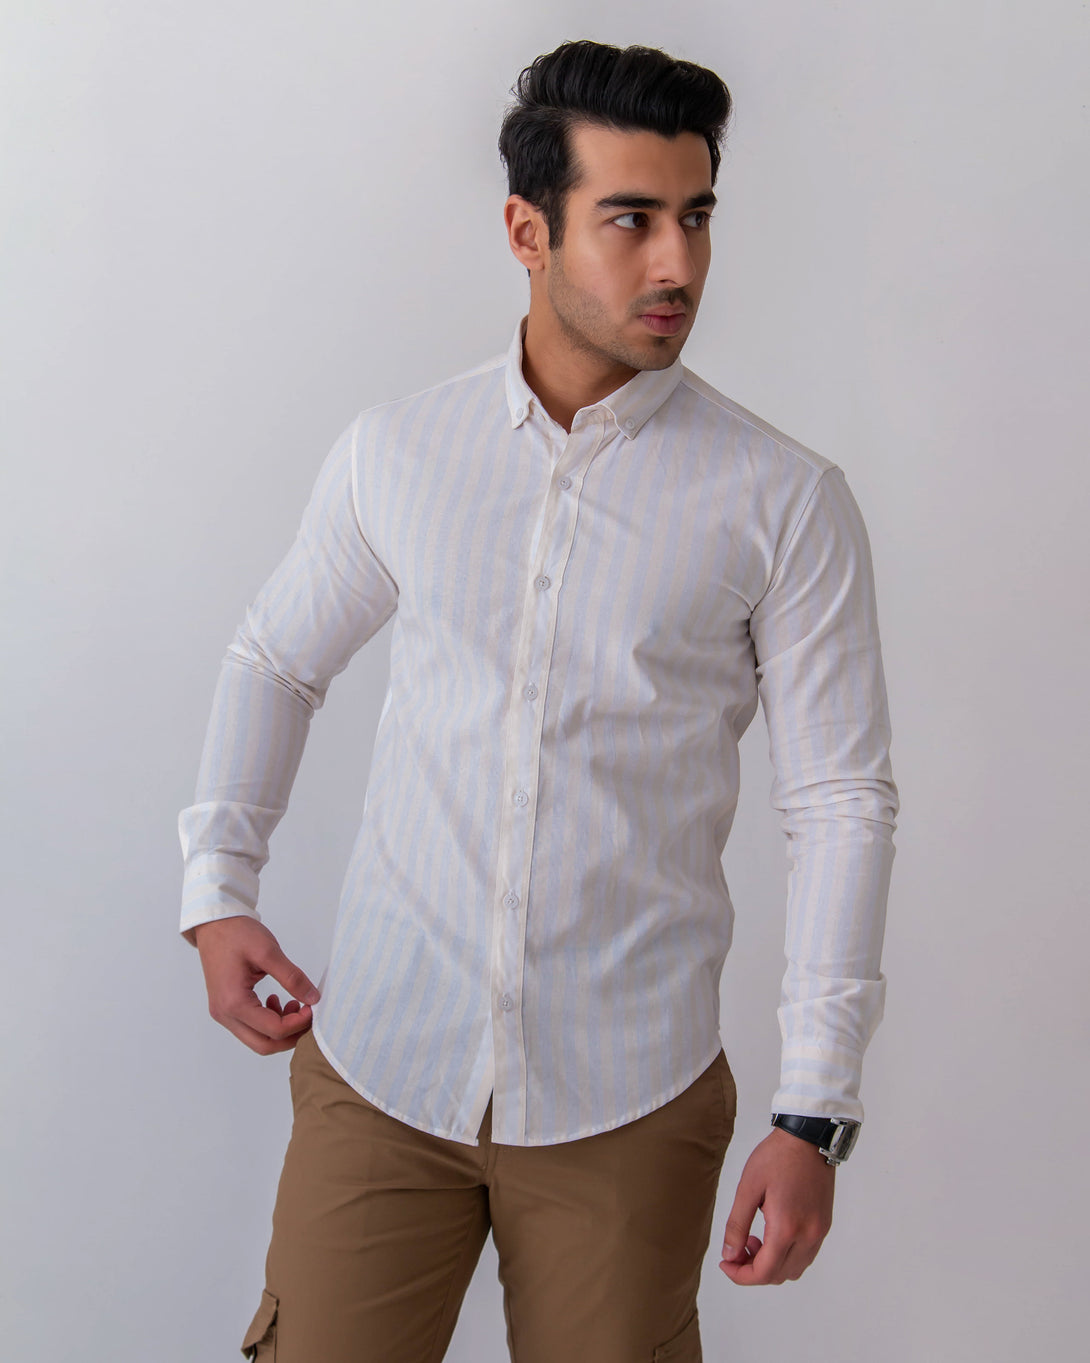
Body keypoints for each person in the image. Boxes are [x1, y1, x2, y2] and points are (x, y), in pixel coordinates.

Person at [179, 38, 899, 1363]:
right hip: (383, 1072)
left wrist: (814, 1110)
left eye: (695, 217)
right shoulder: (400, 454)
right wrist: (217, 889)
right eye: (630, 219)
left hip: (629, 1100)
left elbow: (839, 803)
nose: (678, 263)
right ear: (528, 230)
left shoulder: (782, 501)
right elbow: (277, 658)